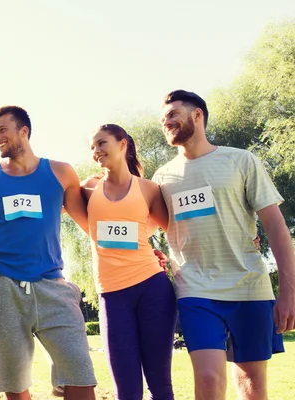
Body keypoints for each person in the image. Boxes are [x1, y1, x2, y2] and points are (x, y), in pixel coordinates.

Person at [153, 90, 295, 400]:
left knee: (251, 383)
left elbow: (275, 226)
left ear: (197, 115)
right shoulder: (162, 176)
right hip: (196, 289)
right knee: (206, 378)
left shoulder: (240, 159)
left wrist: (288, 292)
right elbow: (160, 226)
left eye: (174, 115)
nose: (168, 123)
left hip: (249, 286)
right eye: (164, 120)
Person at [0, 106, 97, 400]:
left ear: (23, 131)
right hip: (2, 286)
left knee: (80, 375)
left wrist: (144, 247)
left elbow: (90, 226)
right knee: (14, 384)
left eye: (3, 130)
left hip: (52, 285)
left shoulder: (61, 172)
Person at [82, 124, 176, 400]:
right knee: (127, 389)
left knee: (160, 385)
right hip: (112, 295)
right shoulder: (88, 189)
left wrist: (246, 235)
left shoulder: (148, 189)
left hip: (153, 288)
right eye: (92, 147)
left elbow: (177, 230)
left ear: (122, 144)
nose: (96, 151)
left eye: (102, 143)